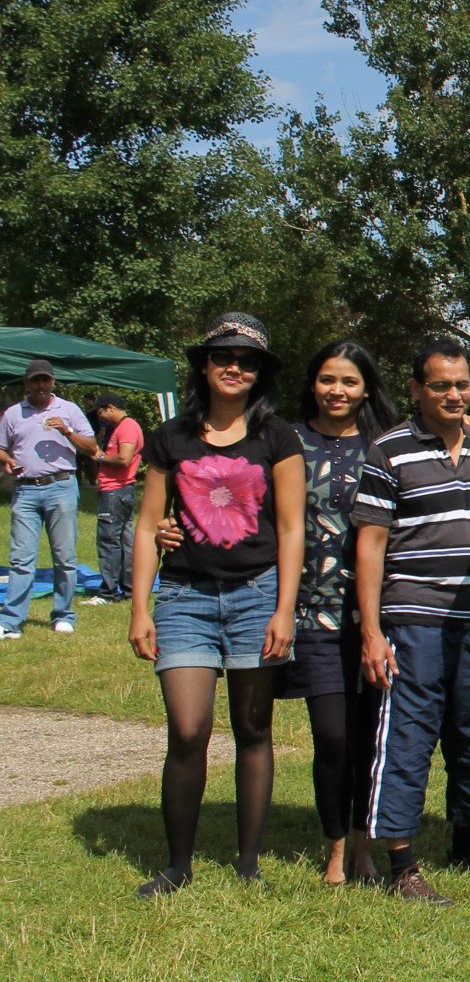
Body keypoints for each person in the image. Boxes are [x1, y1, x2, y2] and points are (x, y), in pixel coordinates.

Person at [126, 314, 305, 895]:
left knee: (253, 728)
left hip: (257, 596)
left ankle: (248, 862)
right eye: (223, 357)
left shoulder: (278, 437)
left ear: (259, 374)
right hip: (185, 598)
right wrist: (140, 608)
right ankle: (178, 864)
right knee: (188, 729)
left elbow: (291, 528)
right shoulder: (170, 437)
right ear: (204, 366)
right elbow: (149, 524)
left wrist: (284, 608)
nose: (234, 367)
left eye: (247, 361)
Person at [355, 338, 470, 905]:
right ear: (416, 389)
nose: (453, 395)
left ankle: (468, 842)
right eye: (440, 385)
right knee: (409, 734)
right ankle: (402, 863)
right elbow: (370, 544)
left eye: (462, 384)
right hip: (412, 617)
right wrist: (372, 631)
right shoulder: (389, 450)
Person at [280, 341, 399, 886]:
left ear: (366, 389)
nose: (337, 390)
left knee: (370, 738)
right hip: (313, 612)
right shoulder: (285, 440)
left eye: (349, 381)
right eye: (328, 379)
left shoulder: (387, 444)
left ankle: (361, 845)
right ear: (313, 383)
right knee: (331, 736)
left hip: (378, 615)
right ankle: (334, 848)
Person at [2, 357, 99, 637]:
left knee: (64, 556)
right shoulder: (13, 413)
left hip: (61, 486)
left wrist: (66, 431)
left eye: (46, 379)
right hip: (26, 489)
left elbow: (91, 446)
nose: (41, 385)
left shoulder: (69, 409)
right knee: (21, 559)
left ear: (53, 381)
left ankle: (63, 615)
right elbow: (2, 448)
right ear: (27, 383)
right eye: (36, 380)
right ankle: (10, 621)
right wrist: (7, 460)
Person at [86, 394, 144, 605]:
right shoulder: (122, 427)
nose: (100, 417)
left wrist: (99, 456)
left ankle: (108, 593)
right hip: (121, 491)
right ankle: (129, 588)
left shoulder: (127, 427)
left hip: (115, 491)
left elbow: (124, 458)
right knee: (125, 541)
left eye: (100, 412)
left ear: (110, 408)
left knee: (109, 541)